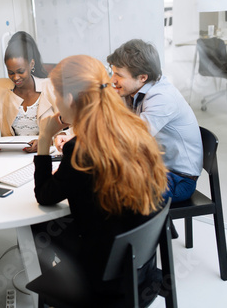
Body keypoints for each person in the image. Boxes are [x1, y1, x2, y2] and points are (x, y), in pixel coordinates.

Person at [32, 55, 168, 304]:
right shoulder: (132, 127)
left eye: (57, 97)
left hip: (103, 279)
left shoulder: (79, 150)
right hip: (140, 266)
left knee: (38, 227)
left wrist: (43, 140)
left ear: (70, 99)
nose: (56, 104)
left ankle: (63, 288)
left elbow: (45, 195)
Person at [107, 39, 203, 203]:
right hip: (155, 168)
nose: (112, 80)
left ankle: (157, 229)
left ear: (142, 77)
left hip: (177, 179)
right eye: (113, 72)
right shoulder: (135, 91)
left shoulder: (162, 98)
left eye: (119, 75)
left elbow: (129, 138)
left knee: (114, 196)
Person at [0, 31, 61, 153]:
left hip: (45, 155)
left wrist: (46, 141)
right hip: (13, 156)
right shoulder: (1, 89)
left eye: (20, 71)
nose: (16, 77)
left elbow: (70, 129)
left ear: (31, 64)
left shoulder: (50, 86)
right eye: (11, 72)